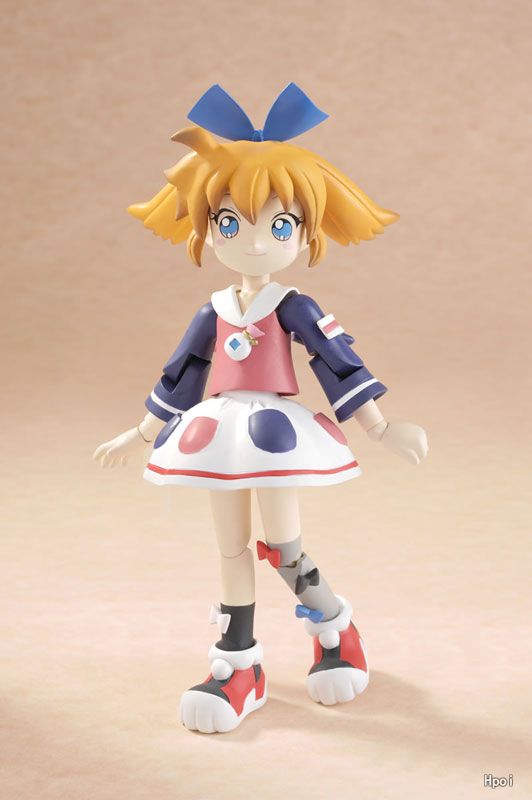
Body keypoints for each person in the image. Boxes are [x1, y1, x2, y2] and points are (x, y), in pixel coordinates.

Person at [94, 83, 428, 734]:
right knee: (229, 551)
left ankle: (335, 627)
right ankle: (238, 664)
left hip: (274, 432)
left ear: (304, 231)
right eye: (229, 223)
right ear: (206, 227)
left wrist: (382, 427)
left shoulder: (293, 306)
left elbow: (336, 362)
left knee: (281, 547)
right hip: (218, 432)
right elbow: (183, 374)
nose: (252, 242)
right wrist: (139, 431)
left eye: (279, 225)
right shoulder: (213, 311)